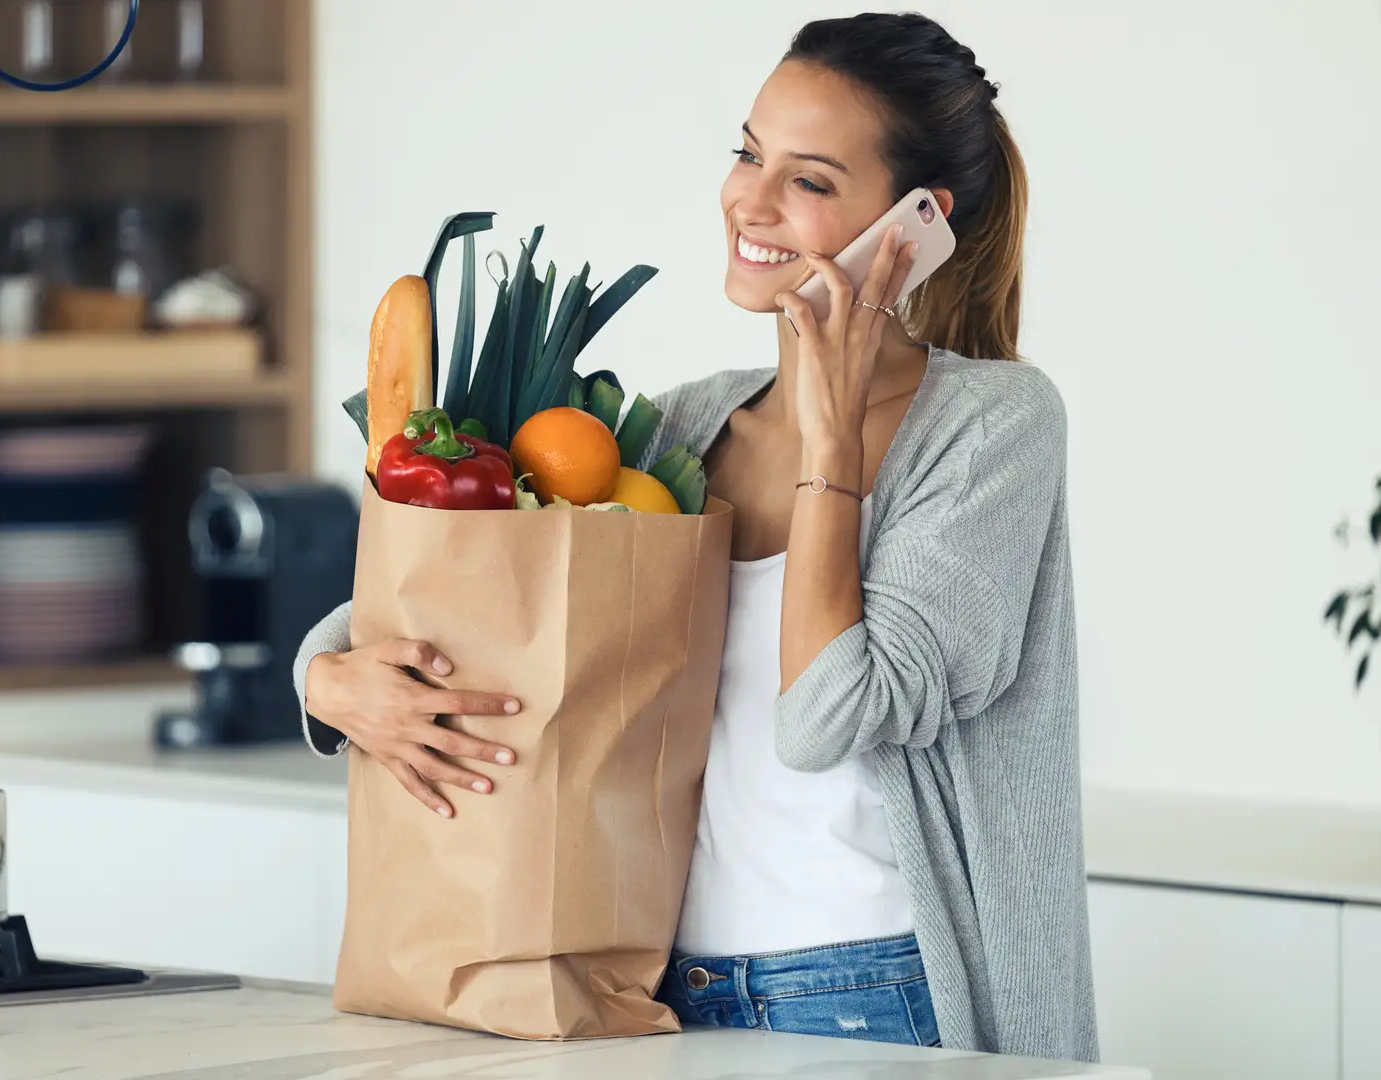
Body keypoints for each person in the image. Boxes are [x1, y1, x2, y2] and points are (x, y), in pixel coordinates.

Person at [290, 10, 1097, 1064]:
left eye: (807, 180)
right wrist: (328, 685)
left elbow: (825, 715)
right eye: (747, 152)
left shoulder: (995, 427)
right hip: (655, 990)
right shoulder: (679, 429)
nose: (750, 201)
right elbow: (449, 597)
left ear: (915, 222)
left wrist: (834, 436)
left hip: (880, 988)